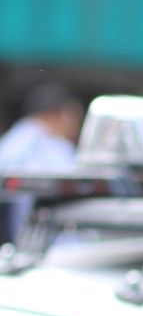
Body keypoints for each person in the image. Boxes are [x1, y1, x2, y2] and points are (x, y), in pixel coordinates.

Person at [0, 83, 83, 242]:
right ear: (56, 114)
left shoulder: (9, 142)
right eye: (73, 117)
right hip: (42, 248)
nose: (75, 127)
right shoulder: (52, 147)